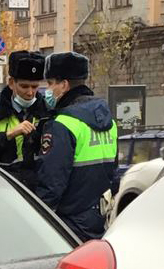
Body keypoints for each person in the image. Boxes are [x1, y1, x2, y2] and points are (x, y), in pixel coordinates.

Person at [34, 52, 118, 241]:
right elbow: (114, 175)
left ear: (63, 85)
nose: (48, 89)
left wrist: (38, 224)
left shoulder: (62, 124)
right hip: (99, 219)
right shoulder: (109, 121)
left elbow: (51, 183)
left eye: (50, 83)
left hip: (69, 225)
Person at [0, 51, 48, 189]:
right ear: (11, 83)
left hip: (34, 193)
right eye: (24, 86)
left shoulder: (46, 112)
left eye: (35, 87)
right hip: (1, 189)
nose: (30, 93)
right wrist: (8, 135)